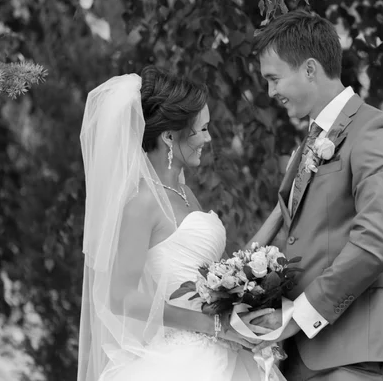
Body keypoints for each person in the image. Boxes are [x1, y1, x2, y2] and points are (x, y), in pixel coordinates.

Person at [76, 66, 284, 381]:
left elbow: (217, 273)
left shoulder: (183, 192)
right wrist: (216, 327)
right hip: (184, 361)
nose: (208, 138)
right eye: (201, 130)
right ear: (170, 136)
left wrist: (283, 208)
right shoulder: (141, 202)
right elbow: (120, 297)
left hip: (219, 350)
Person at [247, 9, 383, 381]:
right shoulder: (308, 143)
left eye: (274, 79)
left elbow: (376, 242)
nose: (271, 92)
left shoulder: (376, 131)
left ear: (309, 69)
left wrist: (296, 317)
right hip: (300, 360)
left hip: (355, 355)